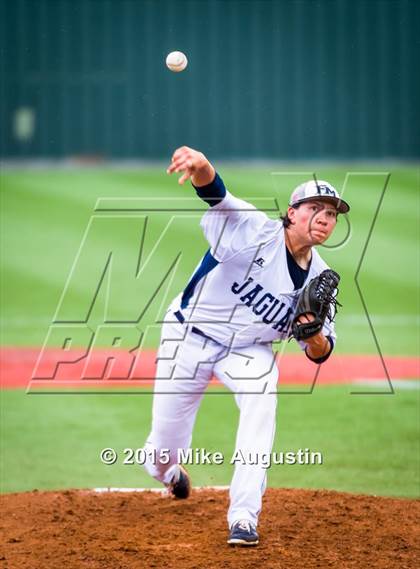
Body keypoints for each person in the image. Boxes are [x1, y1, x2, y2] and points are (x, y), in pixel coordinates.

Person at [142, 146, 350, 546]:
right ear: (292, 212)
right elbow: (214, 193)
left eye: (332, 213)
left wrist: (314, 335)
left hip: (249, 351)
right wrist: (201, 166)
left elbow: (321, 353)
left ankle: (243, 516)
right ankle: (169, 472)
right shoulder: (252, 229)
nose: (325, 217)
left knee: (262, 399)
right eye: (316, 209)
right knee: (163, 452)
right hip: (190, 335)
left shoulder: (321, 279)